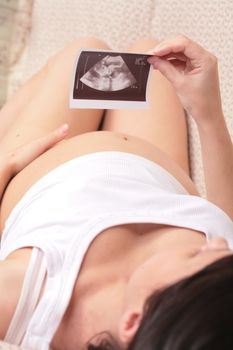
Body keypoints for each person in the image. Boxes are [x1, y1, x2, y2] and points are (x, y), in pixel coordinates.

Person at [0, 34, 232, 350]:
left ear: (132, 321)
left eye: (197, 253)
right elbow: (224, 221)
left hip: (42, 158)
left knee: (85, 52)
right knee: (147, 55)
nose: (219, 244)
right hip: (155, 163)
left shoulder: (26, 303)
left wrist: (5, 167)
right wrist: (208, 114)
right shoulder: (212, 309)